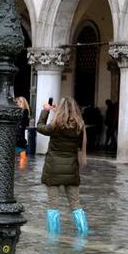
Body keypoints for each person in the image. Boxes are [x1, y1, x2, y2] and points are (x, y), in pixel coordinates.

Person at [37, 96, 89, 235]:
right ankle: (83, 233)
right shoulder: (79, 126)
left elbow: (40, 127)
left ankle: (53, 237)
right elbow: (78, 145)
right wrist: (57, 111)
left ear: (60, 109)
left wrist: (46, 111)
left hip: (53, 168)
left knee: (53, 204)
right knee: (76, 204)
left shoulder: (55, 125)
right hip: (71, 169)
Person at [15, 97, 30, 163]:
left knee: (22, 154)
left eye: (17, 102)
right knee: (20, 153)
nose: (16, 104)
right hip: (19, 135)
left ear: (21, 102)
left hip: (20, 136)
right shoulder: (23, 112)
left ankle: (21, 167)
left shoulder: (24, 112)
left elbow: (20, 125)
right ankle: (21, 168)